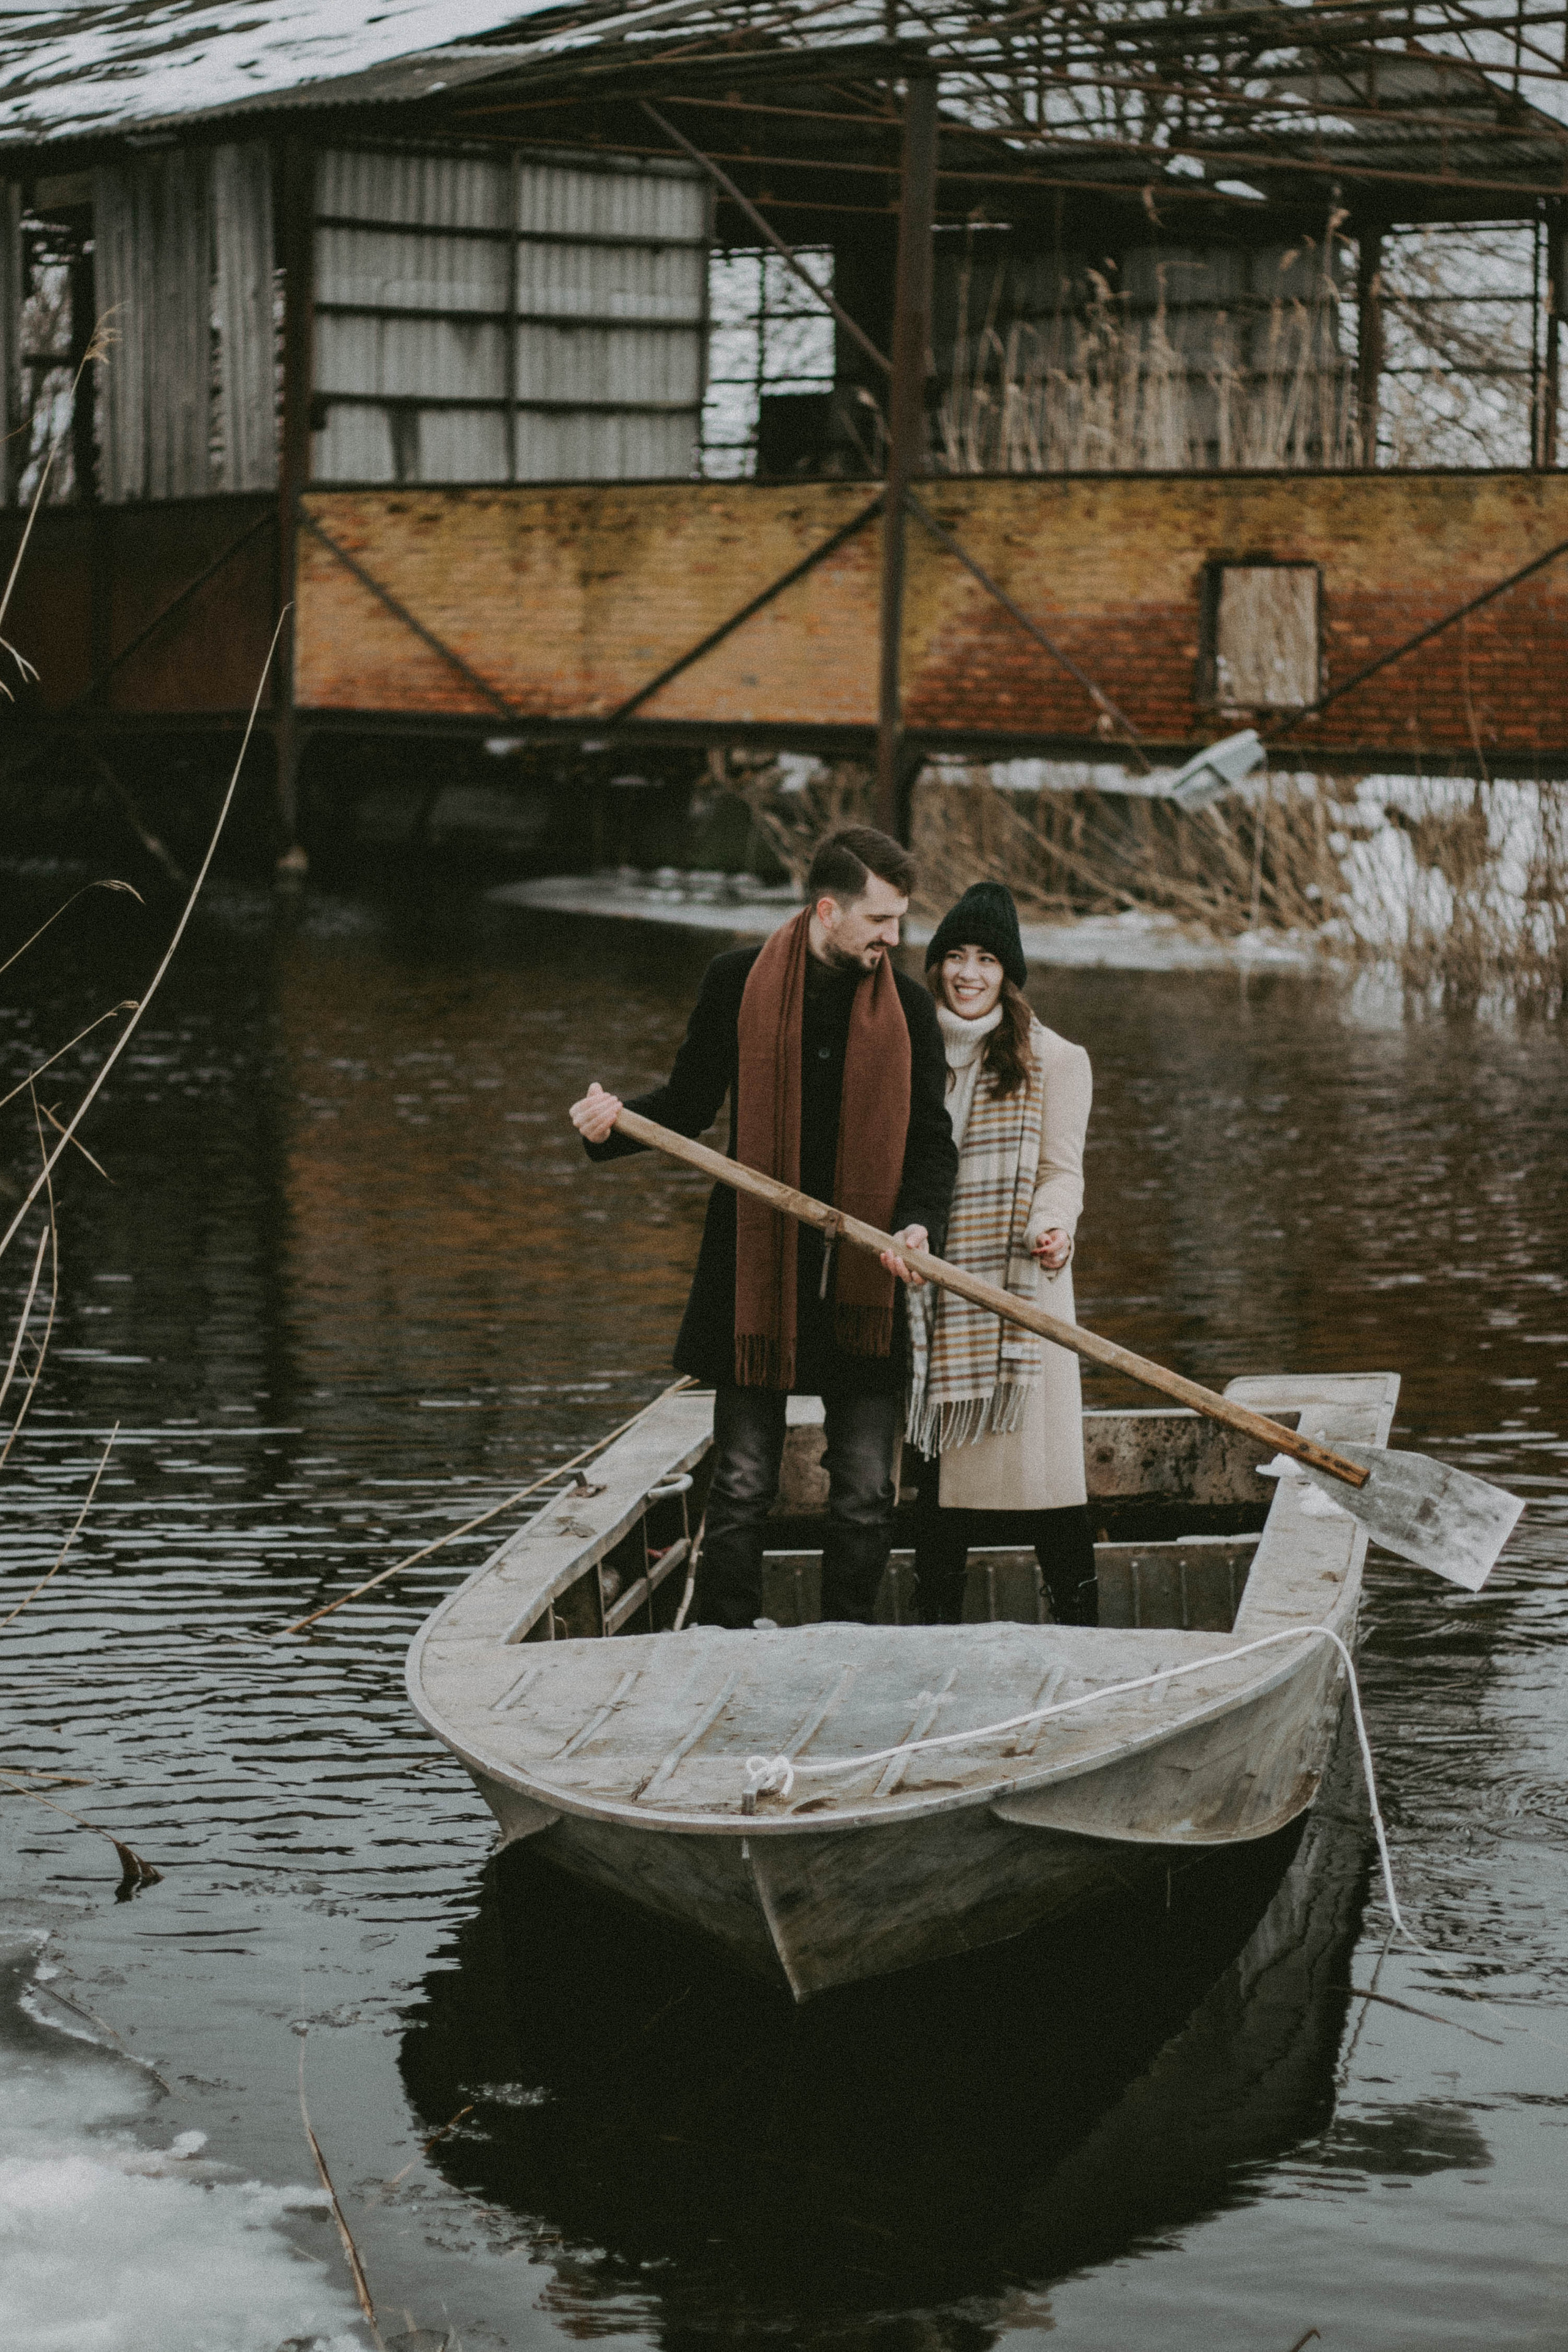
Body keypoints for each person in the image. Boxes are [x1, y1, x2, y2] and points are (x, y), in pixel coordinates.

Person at [570, 826, 957, 1629]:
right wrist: (614, 1123)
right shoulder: (736, 981)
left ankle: (842, 1643)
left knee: (864, 1495)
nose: (894, 939)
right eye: (880, 921)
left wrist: (918, 1227)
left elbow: (929, 1140)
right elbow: (687, 1104)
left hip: (865, 1282)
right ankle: (727, 1642)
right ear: (827, 910)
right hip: (755, 1279)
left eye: (899, 922)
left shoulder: (910, 1010)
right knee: (743, 1485)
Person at [907, 881, 1097, 1627]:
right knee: (942, 1483)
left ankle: (1082, 1631)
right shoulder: (911, 1048)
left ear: (1007, 973)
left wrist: (1054, 1227)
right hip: (932, 1287)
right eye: (954, 956)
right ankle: (934, 1633)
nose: (967, 973)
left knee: (1047, 1481)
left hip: (1024, 1289)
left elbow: (1062, 1171)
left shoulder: (1055, 1059)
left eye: (986, 959)